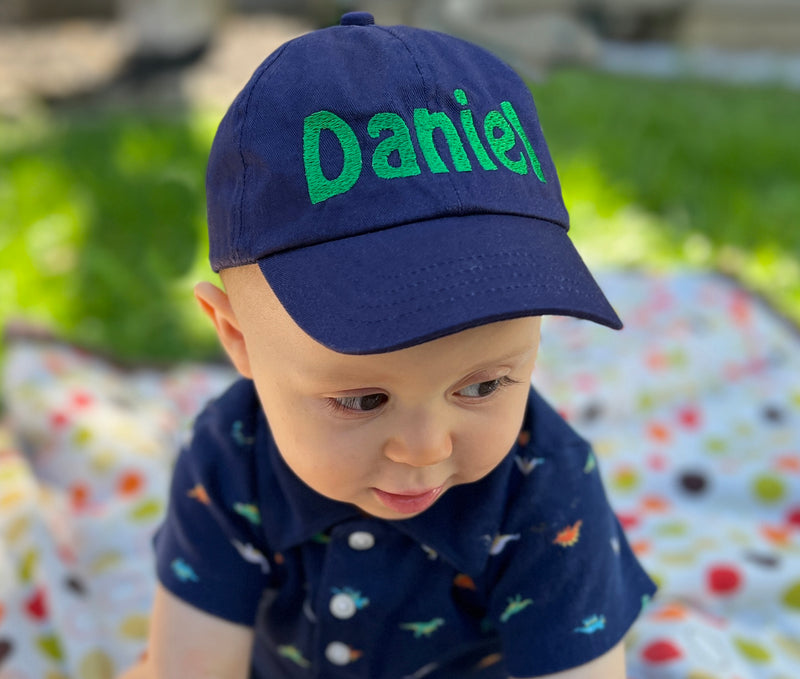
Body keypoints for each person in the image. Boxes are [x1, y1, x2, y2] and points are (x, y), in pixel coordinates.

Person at [119, 11, 656, 679]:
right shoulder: (231, 457)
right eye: (361, 399)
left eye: (483, 385)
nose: (425, 448)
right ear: (237, 338)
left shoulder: (545, 488)